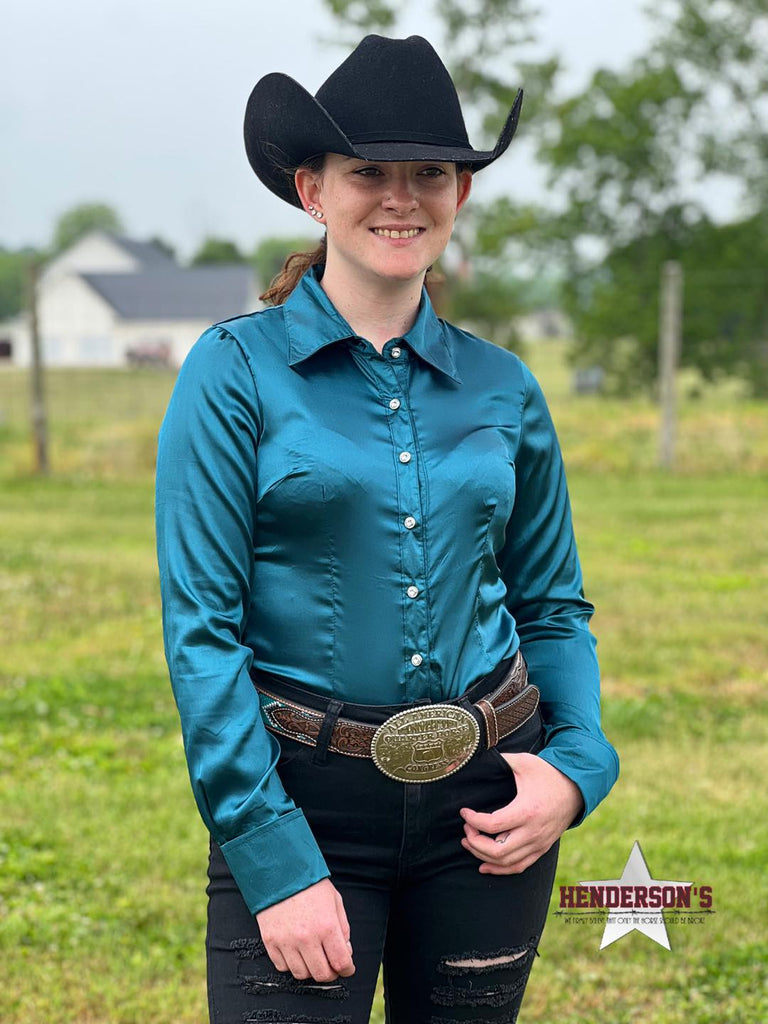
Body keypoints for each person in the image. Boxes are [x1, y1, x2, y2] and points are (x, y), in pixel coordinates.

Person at [155, 34, 619, 1024]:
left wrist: (578, 769)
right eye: (369, 171)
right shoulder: (232, 373)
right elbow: (201, 631)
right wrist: (273, 859)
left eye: (431, 173)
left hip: (489, 810)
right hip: (300, 804)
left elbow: (551, 602)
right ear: (313, 190)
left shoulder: (507, 385)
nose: (400, 196)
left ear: (460, 195)